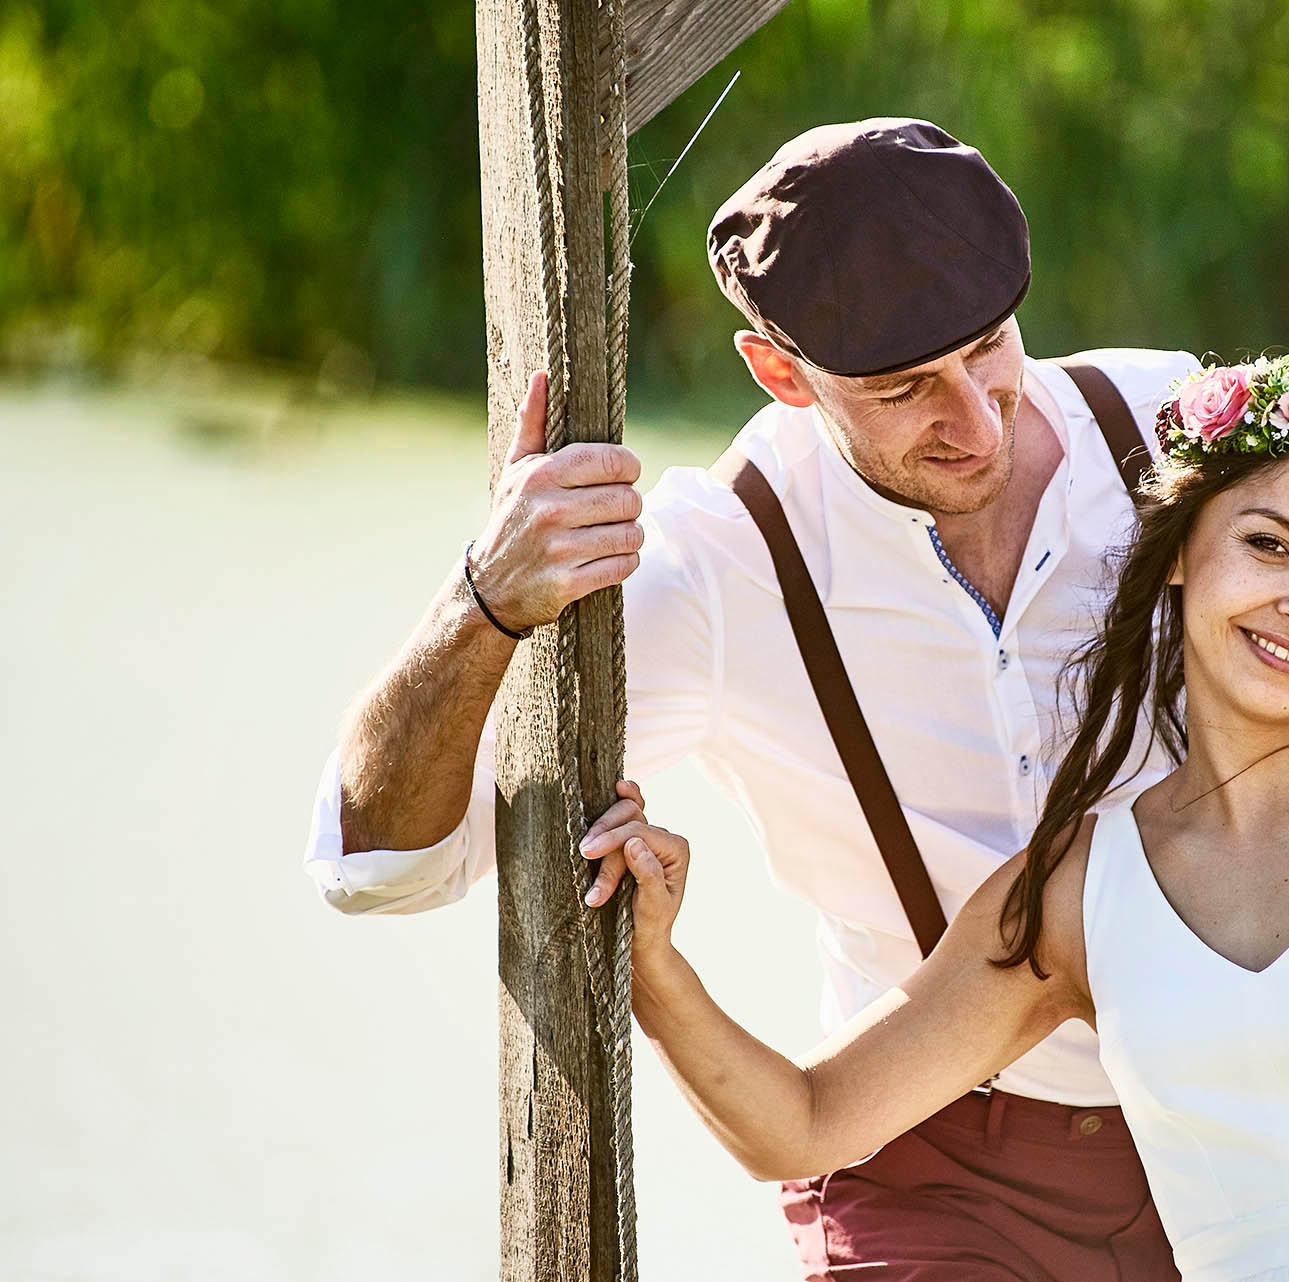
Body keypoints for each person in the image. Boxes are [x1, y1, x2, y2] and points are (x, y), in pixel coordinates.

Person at [303, 118, 1199, 1277]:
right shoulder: (722, 567)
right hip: (924, 1160)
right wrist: (485, 599)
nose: (978, 421)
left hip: (1229, 1125)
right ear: (780, 372)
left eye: (990, 348)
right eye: (905, 388)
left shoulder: (1178, 425)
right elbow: (378, 861)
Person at [589, 355, 1289, 1281]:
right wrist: (654, 968)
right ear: (1178, 556)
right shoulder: (1079, 888)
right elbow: (810, 1122)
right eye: (1269, 546)